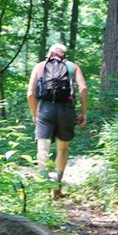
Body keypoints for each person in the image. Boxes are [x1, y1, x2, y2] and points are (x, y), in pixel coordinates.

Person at [27, 43, 88, 198]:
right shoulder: (72, 67)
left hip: (45, 108)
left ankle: (44, 185)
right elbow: (83, 89)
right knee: (63, 148)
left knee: (42, 148)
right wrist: (83, 112)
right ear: (64, 55)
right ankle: (57, 186)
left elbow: (30, 93)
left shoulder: (39, 67)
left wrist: (35, 114)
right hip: (66, 109)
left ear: (49, 54)